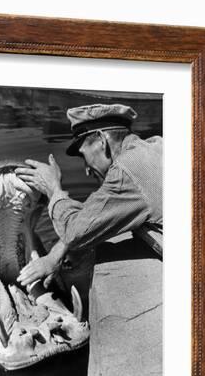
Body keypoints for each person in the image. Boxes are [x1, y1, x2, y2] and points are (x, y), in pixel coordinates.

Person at [14, 103, 163, 288]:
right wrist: (54, 256)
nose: (86, 170)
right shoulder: (153, 146)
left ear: (101, 140)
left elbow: (75, 232)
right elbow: (96, 215)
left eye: (83, 156)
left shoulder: (126, 171)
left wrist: (54, 189)